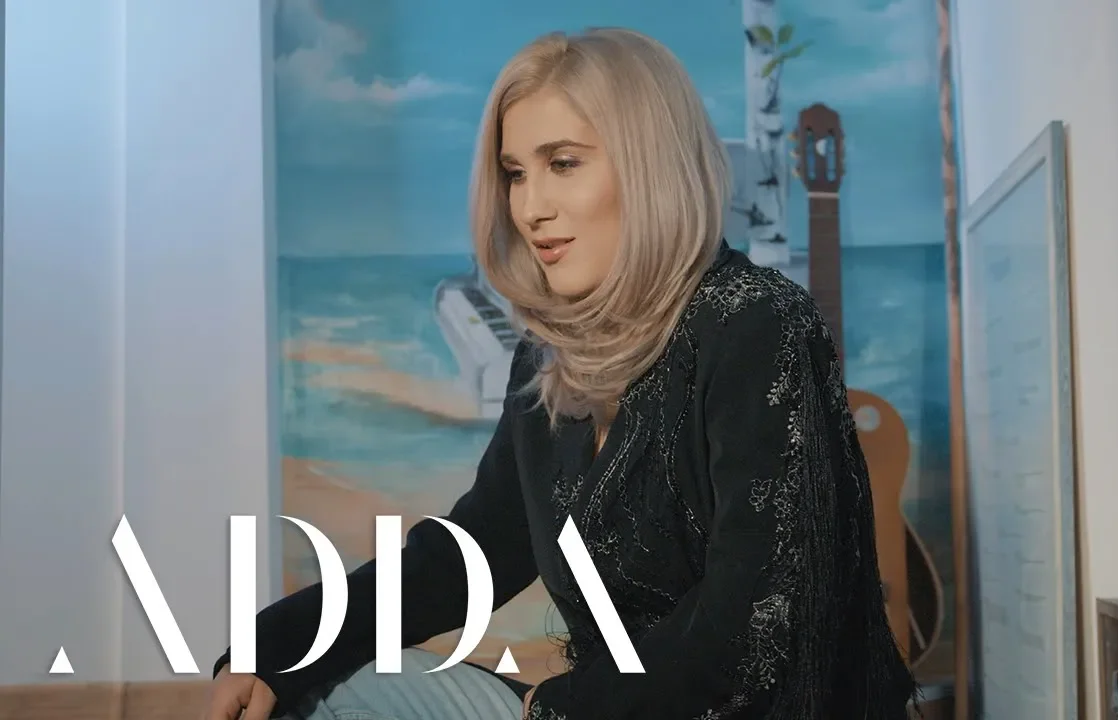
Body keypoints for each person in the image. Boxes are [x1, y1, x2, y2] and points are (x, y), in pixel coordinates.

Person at [203, 27, 917, 720]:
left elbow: (761, 621)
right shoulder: (550, 354)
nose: (530, 208)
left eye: (563, 164)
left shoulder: (759, 323)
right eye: (516, 173)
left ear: (651, 164)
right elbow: (468, 556)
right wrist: (273, 650)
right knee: (325, 688)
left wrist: (559, 708)